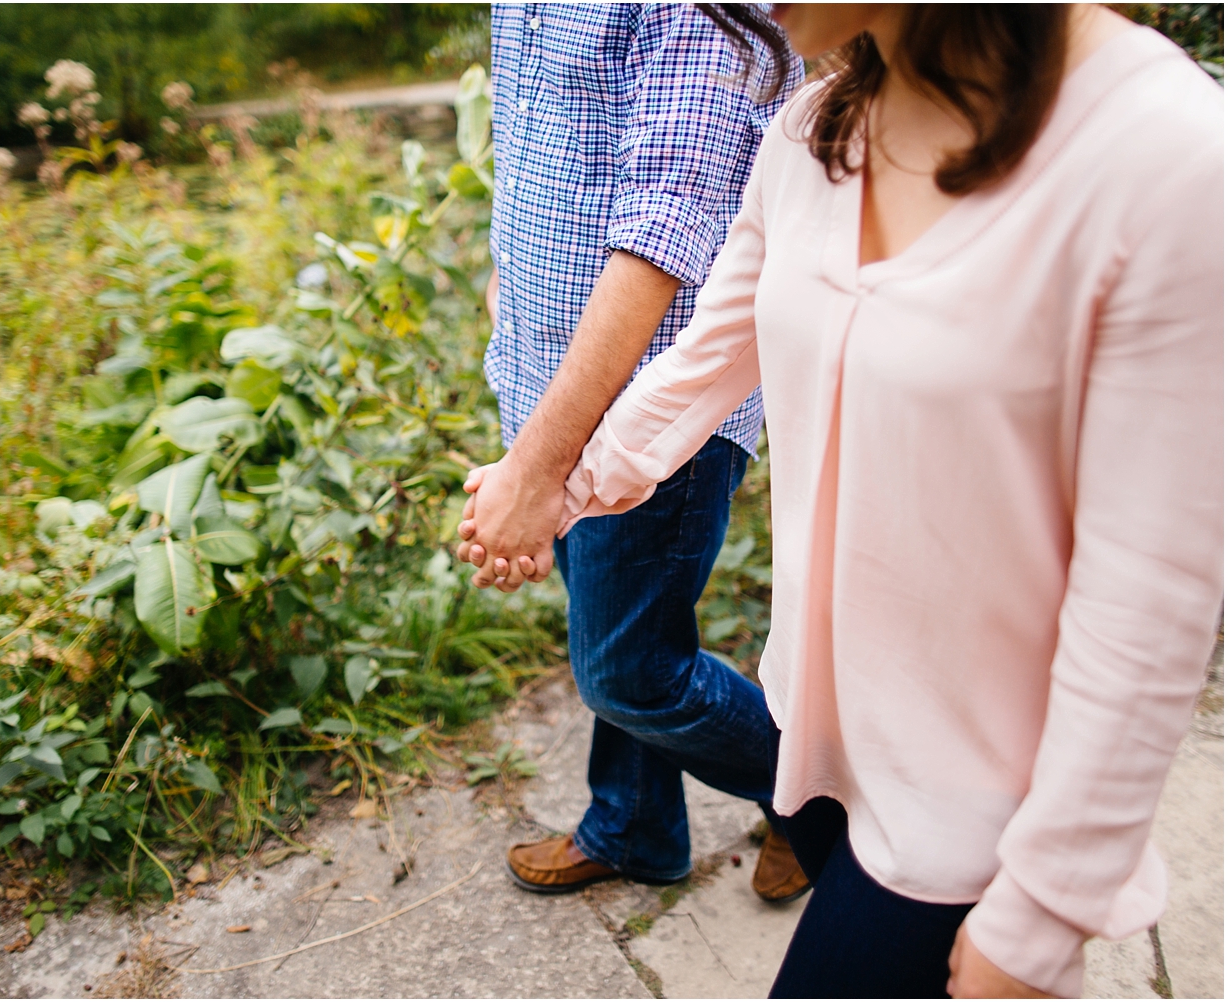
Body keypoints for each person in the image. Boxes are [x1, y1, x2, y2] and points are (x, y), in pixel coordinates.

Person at [459, 3, 1223, 997]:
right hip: (817, 744)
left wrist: (1040, 916)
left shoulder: (1163, 155)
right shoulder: (813, 128)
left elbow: (1153, 600)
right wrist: (561, 488)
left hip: (976, 800)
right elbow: (703, 365)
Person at [473, 4, 807, 901]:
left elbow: (669, 226)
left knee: (631, 671)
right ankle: (635, 825)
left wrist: (539, 472)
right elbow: (539, 134)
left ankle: (827, 809)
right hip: (550, 368)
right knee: (626, 623)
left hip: (660, 405)